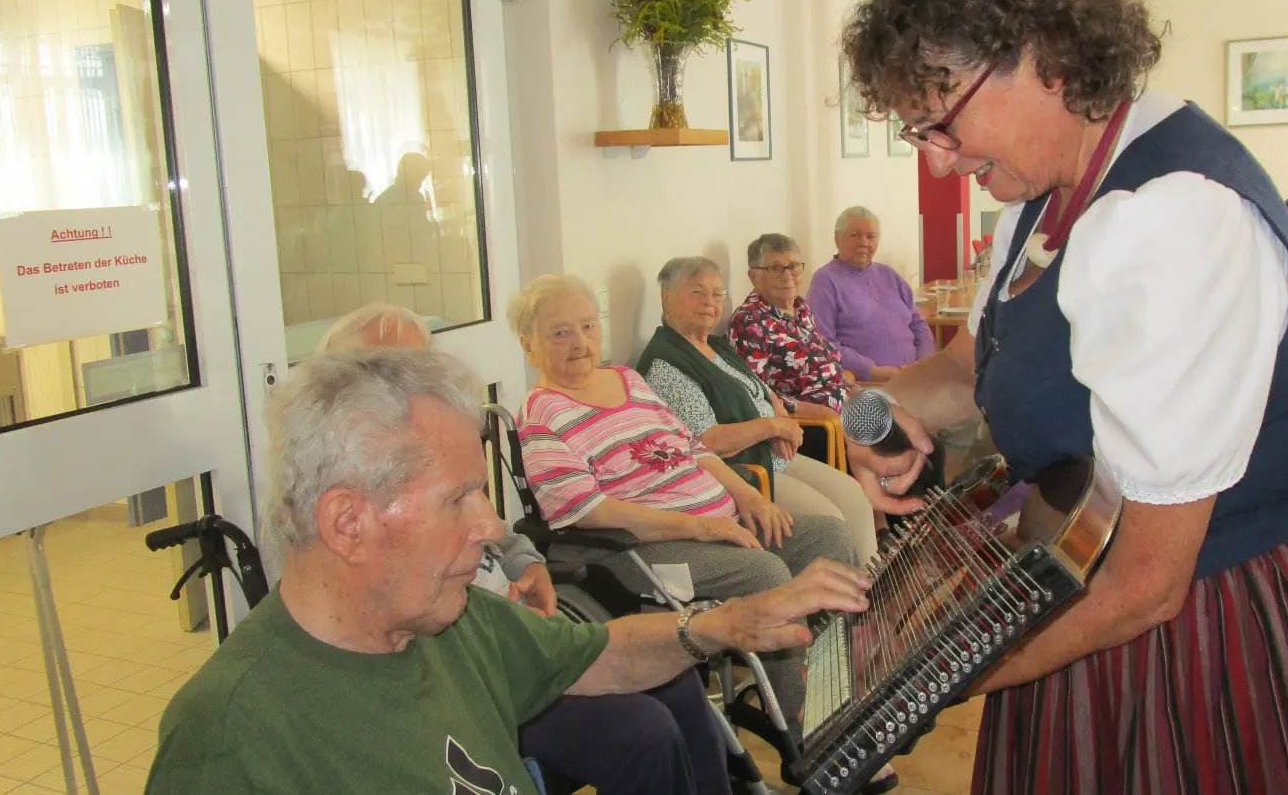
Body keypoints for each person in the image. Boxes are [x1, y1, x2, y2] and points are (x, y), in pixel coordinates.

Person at [836, 0, 1288, 794]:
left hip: (1211, 629)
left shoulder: (1176, 217)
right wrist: (870, 413)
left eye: (941, 122)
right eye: (918, 133)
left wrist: (918, 684)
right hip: (1085, 603)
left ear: (1048, 58)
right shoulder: (1046, 192)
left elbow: (1147, 584)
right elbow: (969, 365)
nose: (938, 164)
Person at [145, 348, 869, 795]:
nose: (493, 527)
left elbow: (601, 657)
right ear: (348, 523)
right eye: (459, 500)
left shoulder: (454, 621)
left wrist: (721, 626)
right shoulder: (233, 738)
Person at [319, 302, 724, 795]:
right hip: (475, 672)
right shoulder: (345, 497)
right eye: (396, 374)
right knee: (644, 731)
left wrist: (527, 563)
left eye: (423, 368)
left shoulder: (433, 452)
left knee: (674, 676)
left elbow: (496, 528)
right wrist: (488, 615)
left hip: (514, 627)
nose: (420, 388)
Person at [508, 275, 872, 745]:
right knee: (764, 572)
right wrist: (700, 528)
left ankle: (834, 692)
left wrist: (749, 497)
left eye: (586, 326)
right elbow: (587, 510)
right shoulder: (541, 414)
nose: (580, 343)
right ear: (527, 344)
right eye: (560, 332)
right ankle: (805, 733)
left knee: (829, 538)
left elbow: (693, 449)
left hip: (719, 522)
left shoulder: (627, 380)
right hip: (639, 553)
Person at [641, 257, 880, 564]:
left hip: (771, 455)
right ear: (666, 297)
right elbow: (707, 441)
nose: (709, 302)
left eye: (716, 294)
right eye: (697, 293)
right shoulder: (666, 364)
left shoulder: (717, 346)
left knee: (853, 496)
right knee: (831, 519)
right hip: (743, 473)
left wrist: (780, 420)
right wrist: (773, 427)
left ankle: (873, 589)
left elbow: (764, 391)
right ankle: (846, 604)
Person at [805, 206, 934, 382]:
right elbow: (823, 343)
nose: (864, 242)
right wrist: (873, 371)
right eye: (855, 235)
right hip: (868, 385)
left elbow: (919, 324)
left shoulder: (889, 274)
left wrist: (922, 364)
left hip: (914, 378)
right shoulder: (824, 281)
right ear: (837, 239)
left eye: (870, 236)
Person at [729, 233, 848, 417]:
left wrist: (854, 389)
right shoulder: (749, 321)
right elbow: (755, 393)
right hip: (812, 426)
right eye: (776, 268)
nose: (787, 276)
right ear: (753, 276)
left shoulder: (802, 308)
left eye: (792, 267)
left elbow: (823, 367)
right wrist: (813, 411)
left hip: (846, 409)